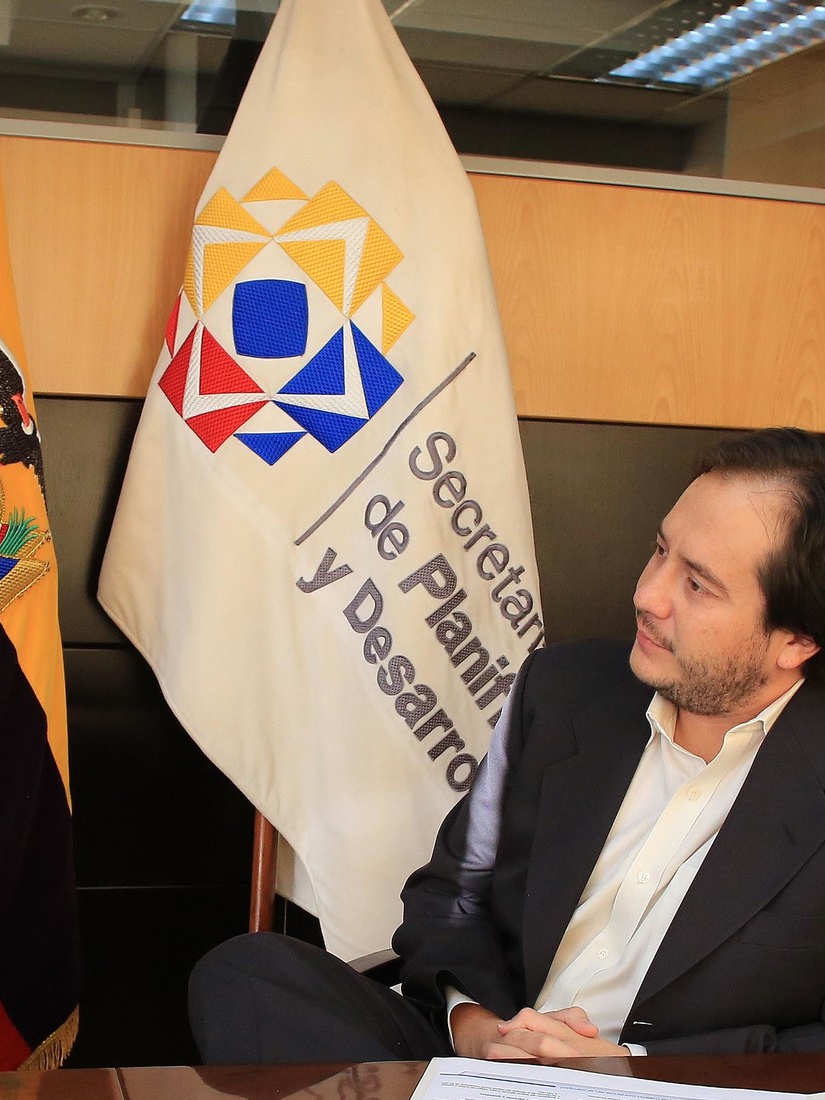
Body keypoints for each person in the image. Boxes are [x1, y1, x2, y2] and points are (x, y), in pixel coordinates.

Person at [191, 426, 825, 1063]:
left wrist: (629, 1069)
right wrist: (474, 1022)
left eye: (698, 585)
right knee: (247, 973)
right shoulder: (563, 690)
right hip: (484, 1063)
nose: (647, 594)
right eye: (660, 551)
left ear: (796, 641)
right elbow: (451, 895)